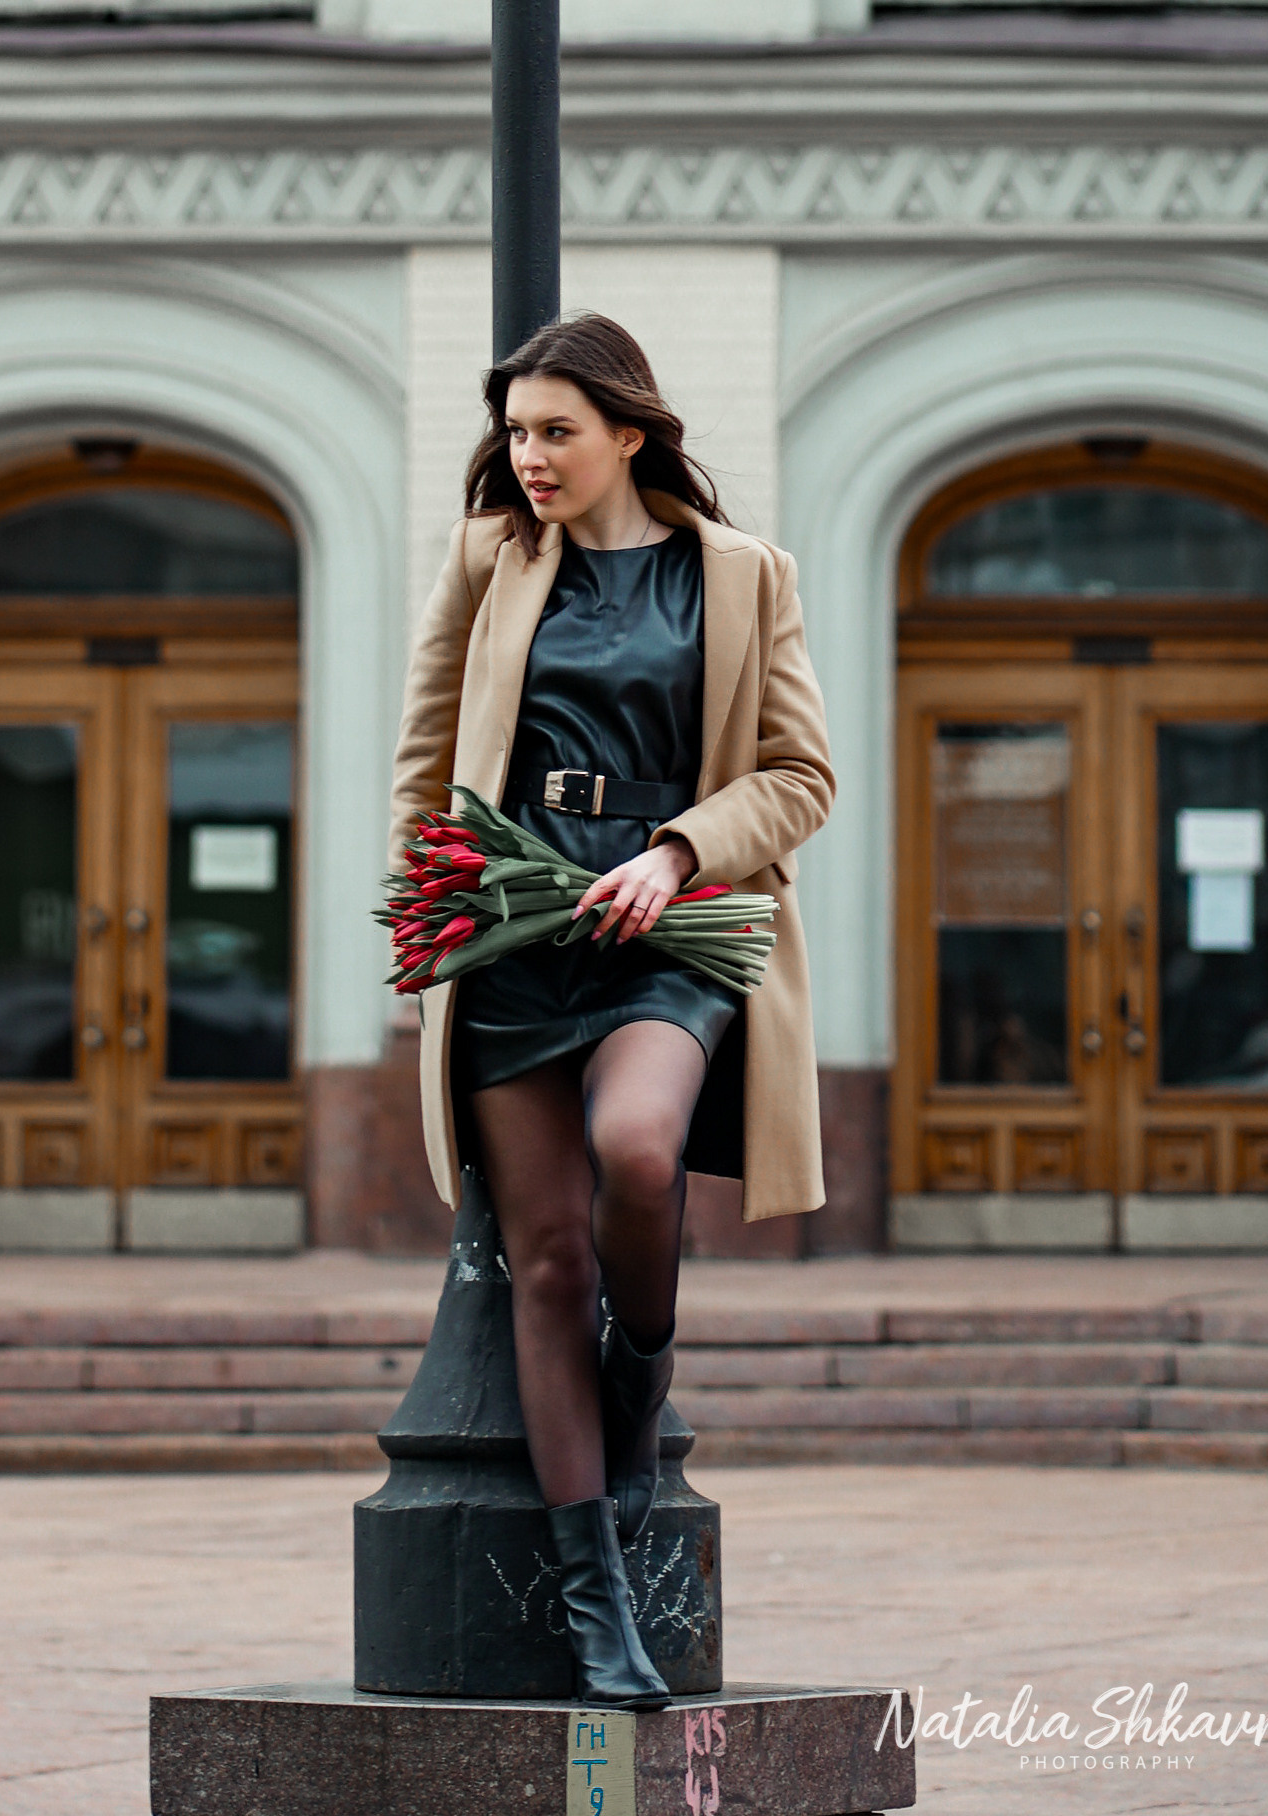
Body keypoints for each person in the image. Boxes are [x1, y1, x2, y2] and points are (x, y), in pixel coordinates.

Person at [388, 313, 835, 1705]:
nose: (529, 456)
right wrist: (431, 918)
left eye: (556, 431)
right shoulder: (486, 563)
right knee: (547, 1262)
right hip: (516, 931)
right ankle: (597, 1602)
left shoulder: (742, 577)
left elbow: (800, 775)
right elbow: (425, 761)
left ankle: (639, 1396)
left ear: (630, 433)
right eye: (516, 432)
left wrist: (679, 850)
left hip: (673, 920)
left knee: (641, 1153)